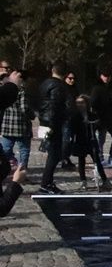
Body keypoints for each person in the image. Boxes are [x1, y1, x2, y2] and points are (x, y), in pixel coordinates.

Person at [37, 62, 70, 194]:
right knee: (54, 154)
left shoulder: (44, 84)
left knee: (53, 153)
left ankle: (47, 182)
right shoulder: (59, 86)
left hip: (45, 120)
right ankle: (46, 183)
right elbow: (56, 106)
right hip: (53, 123)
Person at [68, 95, 111, 191]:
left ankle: (105, 180)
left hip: (91, 141)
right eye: (78, 103)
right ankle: (83, 181)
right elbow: (72, 129)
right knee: (81, 161)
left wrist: (95, 123)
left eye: (82, 103)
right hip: (81, 141)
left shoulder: (91, 114)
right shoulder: (75, 116)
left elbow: (99, 125)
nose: (80, 105)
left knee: (97, 160)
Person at [1, 67, 34, 175]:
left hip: (7, 126)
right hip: (21, 126)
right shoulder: (22, 90)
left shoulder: (4, 88)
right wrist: (32, 115)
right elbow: (24, 108)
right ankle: (21, 171)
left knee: (5, 148)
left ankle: (9, 162)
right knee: (24, 150)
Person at [89, 68, 112, 168]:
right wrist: (97, 115)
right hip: (101, 119)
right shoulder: (97, 88)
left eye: (108, 76)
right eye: (104, 75)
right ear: (101, 76)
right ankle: (100, 158)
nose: (106, 78)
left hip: (111, 119)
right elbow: (93, 103)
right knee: (101, 140)